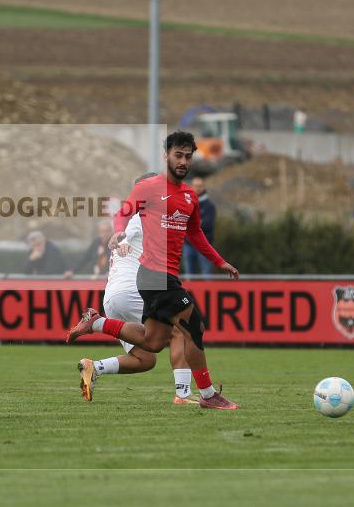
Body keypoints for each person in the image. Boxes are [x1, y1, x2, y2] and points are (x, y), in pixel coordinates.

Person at [67, 131, 240, 410]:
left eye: (187, 156)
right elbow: (123, 212)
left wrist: (219, 261)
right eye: (177, 155)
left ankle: (97, 324)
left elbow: (196, 234)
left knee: (152, 344)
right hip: (151, 275)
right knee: (192, 327)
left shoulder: (189, 197)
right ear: (167, 156)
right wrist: (118, 234)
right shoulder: (149, 191)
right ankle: (205, 395)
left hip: (158, 278)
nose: (182, 161)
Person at [76, 173, 197, 404]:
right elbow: (127, 232)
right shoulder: (143, 215)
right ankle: (183, 394)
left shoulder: (142, 214)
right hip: (135, 289)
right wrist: (122, 242)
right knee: (181, 330)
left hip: (113, 297)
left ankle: (94, 368)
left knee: (145, 359)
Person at [182, 177, 216, 275]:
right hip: (188, 245)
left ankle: (208, 291)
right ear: (192, 187)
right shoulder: (187, 203)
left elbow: (207, 224)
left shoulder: (209, 206)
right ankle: (189, 291)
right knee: (189, 276)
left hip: (205, 246)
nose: (198, 188)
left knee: (207, 276)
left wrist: (192, 225)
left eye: (200, 186)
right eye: (195, 186)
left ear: (204, 187)